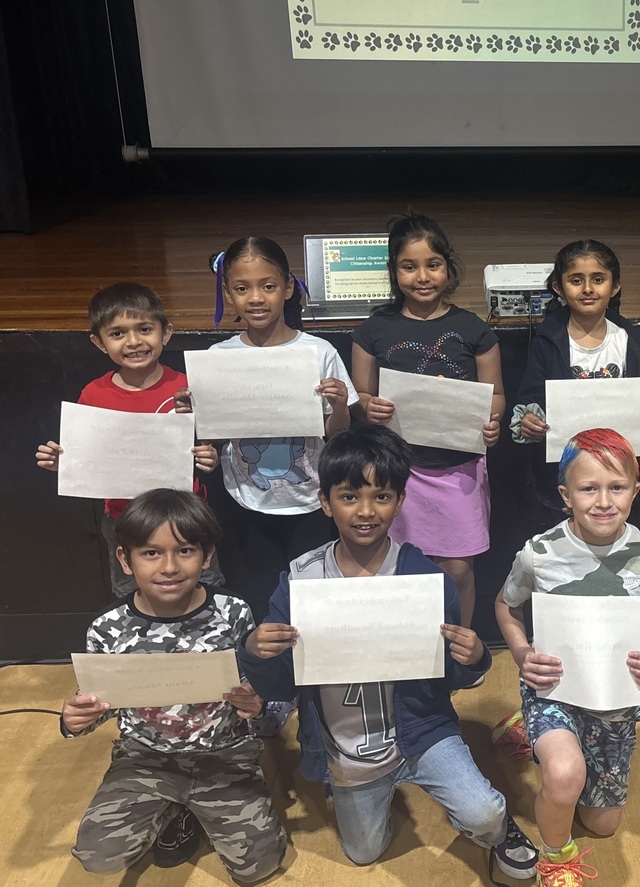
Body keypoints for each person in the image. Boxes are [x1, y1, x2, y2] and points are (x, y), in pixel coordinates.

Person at [237, 425, 539, 880]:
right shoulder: (301, 581)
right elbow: (283, 685)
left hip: (422, 732)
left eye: (381, 496)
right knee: (363, 853)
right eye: (349, 496)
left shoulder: (425, 579)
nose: (365, 510)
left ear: (400, 502)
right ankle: (369, 790)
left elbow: (447, 676)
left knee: (484, 814)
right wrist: (255, 652)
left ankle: (497, 827)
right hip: (347, 744)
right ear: (325, 502)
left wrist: (473, 656)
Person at [61, 489, 286, 882]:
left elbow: (252, 686)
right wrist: (74, 720)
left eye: (185, 551)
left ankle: (194, 807)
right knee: (97, 857)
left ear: (207, 555)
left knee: (257, 868)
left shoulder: (233, 612)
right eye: (151, 553)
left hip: (224, 755)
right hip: (144, 758)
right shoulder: (106, 628)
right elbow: (99, 706)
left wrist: (256, 703)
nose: (169, 567)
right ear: (125, 560)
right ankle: (174, 806)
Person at [495, 429, 640, 886]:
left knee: (602, 824)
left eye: (617, 487)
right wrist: (522, 653)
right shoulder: (540, 554)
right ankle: (555, 856)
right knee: (564, 776)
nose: (604, 501)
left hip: (615, 700)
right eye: (589, 488)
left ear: (636, 490)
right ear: (565, 496)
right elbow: (506, 605)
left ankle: (533, 733)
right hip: (553, 689)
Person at [176, 236, 358, 621]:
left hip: (310, 501)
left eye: (268, 286)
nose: (256, 298)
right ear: (228, 292)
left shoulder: (319, 351)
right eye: (242, 288)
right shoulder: (219, 357)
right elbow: (210, 437)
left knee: (312, 601)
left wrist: (341, 404)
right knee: (257, 599)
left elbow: (337, 435)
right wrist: (192, 413)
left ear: (288, 288)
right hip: (246, 500)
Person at [350, 213, 504, 633]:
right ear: (394, 271)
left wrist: (492, 422)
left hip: (459, 471)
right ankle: (404, 645)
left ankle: (460, 646)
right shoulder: (373, 330)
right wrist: (367, 407)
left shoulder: (473, 330)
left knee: (458, 568)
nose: (422, 276)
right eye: (409, 266)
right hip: (398, 472)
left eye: (432, 265)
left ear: (448, 268)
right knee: (398, 567)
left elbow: (496, 396)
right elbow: (359, 396)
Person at [35, 282, 223, 597]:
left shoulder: (188, 387)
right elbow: (87, 455)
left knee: (204, 589)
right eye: (118, 333)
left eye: (145, 329)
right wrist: (63, 463)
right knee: (130, 592)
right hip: (124, 517)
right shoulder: (94, 394)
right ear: (99, 342)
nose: (134, 342)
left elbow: (209, 443)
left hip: (185, 514)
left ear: (166, 333)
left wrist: (210, 458)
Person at [510, 239, 640, 513]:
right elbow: (530, 398)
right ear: (559, 288)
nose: (587, 289)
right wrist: (529, 421)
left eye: (598, 279)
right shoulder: (548, 341)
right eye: (576, 280)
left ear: (615, 286)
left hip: (618, 470)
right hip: (566, 472)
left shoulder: (630, 340)